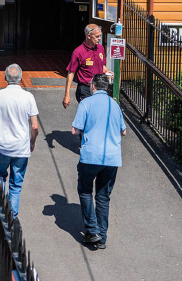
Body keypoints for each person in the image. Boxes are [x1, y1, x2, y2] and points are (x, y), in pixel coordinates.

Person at [71, 74, 126, 249]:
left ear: (93, 86)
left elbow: (75, 130)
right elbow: (123, 131)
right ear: (106, 87)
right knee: (103, 196)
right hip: (112, 157)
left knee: (85, 190)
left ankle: (92, 231)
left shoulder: (86, 103)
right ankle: (102, 237)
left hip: (91, 156)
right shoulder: (115, 105)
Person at [0, 64, 39, 218]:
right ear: (21, 78)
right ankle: (12, 217)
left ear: (5, 78)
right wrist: (32, 141)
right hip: (21, 148)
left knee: (0, 177)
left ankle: (1, 212)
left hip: (2, 146)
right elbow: (35, 126)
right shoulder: (28, 97)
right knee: (16, 184)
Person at [63, 23, 108, 109]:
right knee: (89, 112)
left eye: (100, 36)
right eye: (97, 36)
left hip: (99, 88)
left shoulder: (100, 48)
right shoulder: (78, 52)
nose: (99, 38)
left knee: (99, 112)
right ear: (88, 36)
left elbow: (102, 66)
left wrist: (107, 71)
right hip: (85, 89)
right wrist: (67, 95)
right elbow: (71, 73)